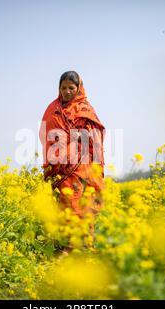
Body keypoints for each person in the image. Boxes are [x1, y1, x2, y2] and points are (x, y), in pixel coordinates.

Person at [39, 71, 105, 247]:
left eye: (71, 88)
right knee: (64, 206)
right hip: (59, 167)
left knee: (82, 204)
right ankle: (66, 245)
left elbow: (95, 137)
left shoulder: (86, 109)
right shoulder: (53, 109)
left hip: (82, 167)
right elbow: (45, 133)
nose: (66, 91)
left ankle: (85, 245)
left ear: (78, 88)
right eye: (63, 88)